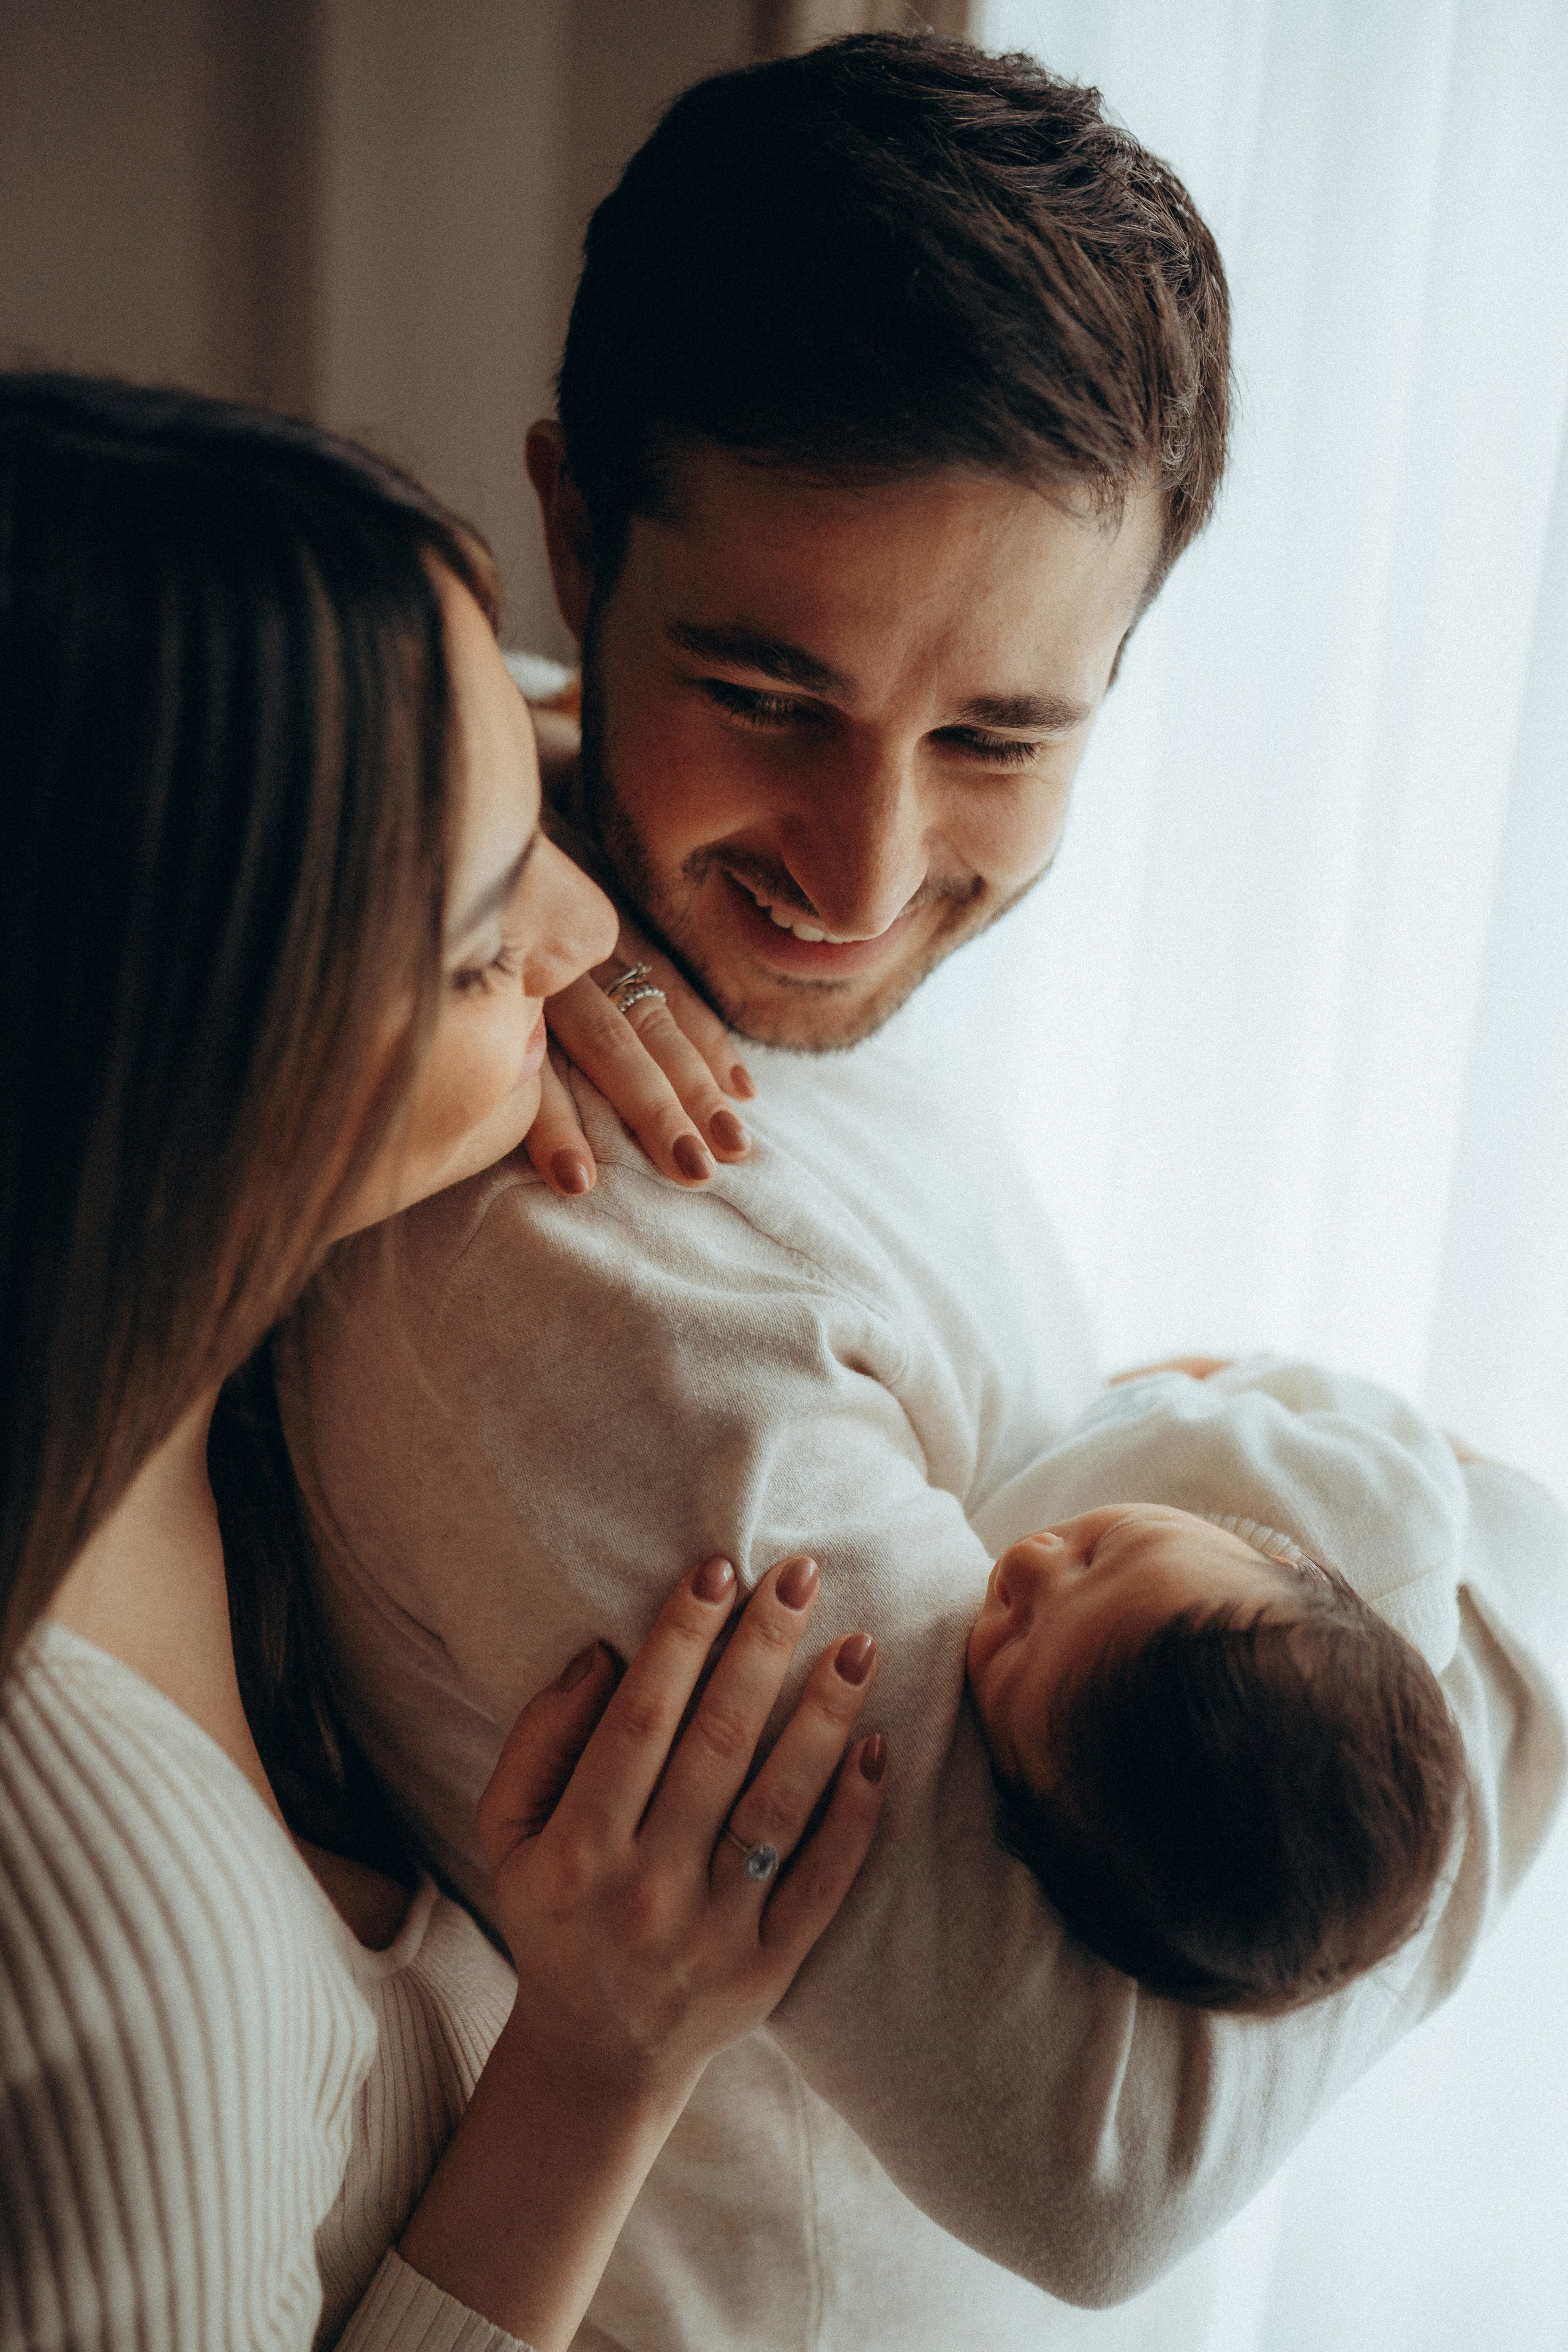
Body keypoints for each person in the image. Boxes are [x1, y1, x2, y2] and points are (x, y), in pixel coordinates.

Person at [280, 34, 1568, 2352]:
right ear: (578, 529)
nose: (858, 878)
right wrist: (1506, 1583)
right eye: (763, 689)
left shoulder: (606, 852)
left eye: (996, 737)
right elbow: (1103, 2166)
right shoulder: (575, 1246)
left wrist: (581, 740)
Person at [0, 373, 888, 2352]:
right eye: (491, 947)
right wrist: (606, 2060)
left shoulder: (141, 1379)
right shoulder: (112, 1953)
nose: (596, 939)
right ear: (202, 1070)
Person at [962, 1357, 1472, 2015]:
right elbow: (1289, 1381)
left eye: (1015, 1644)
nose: (1028, 1561)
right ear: (1291, 1569)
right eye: (1102, 1551)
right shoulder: (1382, 1518)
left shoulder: (1058, 1775)